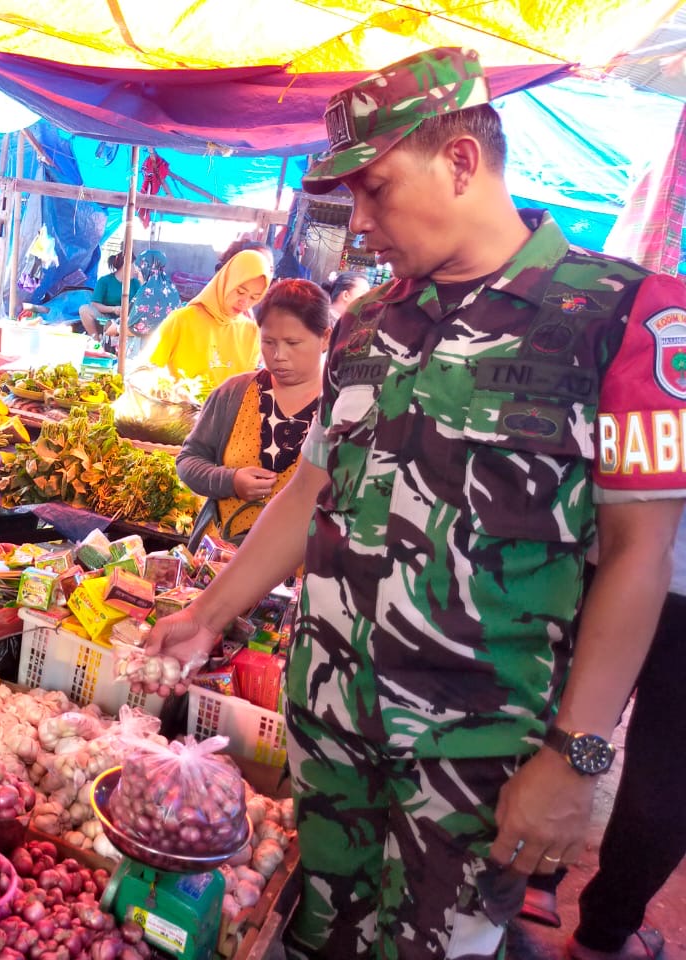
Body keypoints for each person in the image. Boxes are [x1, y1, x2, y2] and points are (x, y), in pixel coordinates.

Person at [146, 46, 686, 959]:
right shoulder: (363, 326)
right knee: (315, 937)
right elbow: (312, 487)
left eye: (376, 190)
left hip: (477, 756)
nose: (359, 222)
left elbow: (640, 555)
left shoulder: (624, 320)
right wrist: (208, 613)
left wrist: (577, 755)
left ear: (462, 162)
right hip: (330, 728)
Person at [519, 512, 686, 959]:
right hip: (622, 547)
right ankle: (605, 934)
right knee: (669, 775)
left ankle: (528, 877)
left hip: (606, 546)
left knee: (559, 720)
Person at [177, 279, 330, 550]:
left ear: (325, 338)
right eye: (269, 342)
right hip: (218, 560)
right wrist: (230, 481)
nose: (279, 355)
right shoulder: (234, 393)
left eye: (293, 343)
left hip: (299, 569)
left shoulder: (341, 407)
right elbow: (189, 460)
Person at [144, 248, 271, 390]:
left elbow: (246, 386)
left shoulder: (251, 332)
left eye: (254, 297)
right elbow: (146, 371)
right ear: (226, 281)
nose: (245, 302)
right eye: (240, 291)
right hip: (179, 410)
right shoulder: (181, 320)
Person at [79, 253, 141, 338]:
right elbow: (95, 304)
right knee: (84, 310)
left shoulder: (136, 283)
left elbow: (140, 304)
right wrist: (113, 309)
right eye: (134, 266)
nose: (136, 270)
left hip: (127, 319)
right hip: (106, 318)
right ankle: (96, 340)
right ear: (125, 266)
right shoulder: (104, 281)